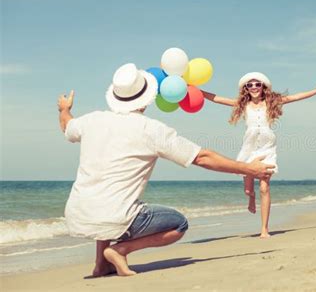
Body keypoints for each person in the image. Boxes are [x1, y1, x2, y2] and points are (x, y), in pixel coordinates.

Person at [57, 63, 274, 277]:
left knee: (108, 196)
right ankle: (120, 250)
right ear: (146, 98)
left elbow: (67, 126)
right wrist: (250, 169)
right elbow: (202, 157)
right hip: (114, 218)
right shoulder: (151, 129)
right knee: (179, 224)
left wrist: (64, 109)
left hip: (77, 214)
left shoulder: (92, 120)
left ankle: (100, 265)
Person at [202, 72, 316, 238]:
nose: (254, 87)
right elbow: (217, 98)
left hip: (267, 147)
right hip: (249, 148)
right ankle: (251, 197)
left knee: (264, 187)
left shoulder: (271, 102)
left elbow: (295, 97)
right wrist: (197, 91)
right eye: (250, 85)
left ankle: (264, 229)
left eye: (257, 84)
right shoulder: (242, 104)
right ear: (245, 88)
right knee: (247, 189)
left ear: (263, 87)